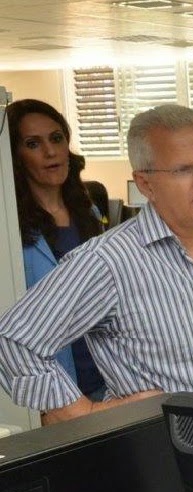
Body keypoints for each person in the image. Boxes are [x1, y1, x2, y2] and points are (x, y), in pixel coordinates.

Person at [0, 104, 193, 423]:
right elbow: (13, 341)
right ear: (145, 183)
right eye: (183, 170)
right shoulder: (110, 260)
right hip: (165, 451)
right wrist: (83, 413)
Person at [6, 98, 106, 402]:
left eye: (56, 138)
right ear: (16, 156)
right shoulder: (10, 228)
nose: (50, 152)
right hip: (52, 382)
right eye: (33, 144)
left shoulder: (88, 212)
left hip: (106, 374)